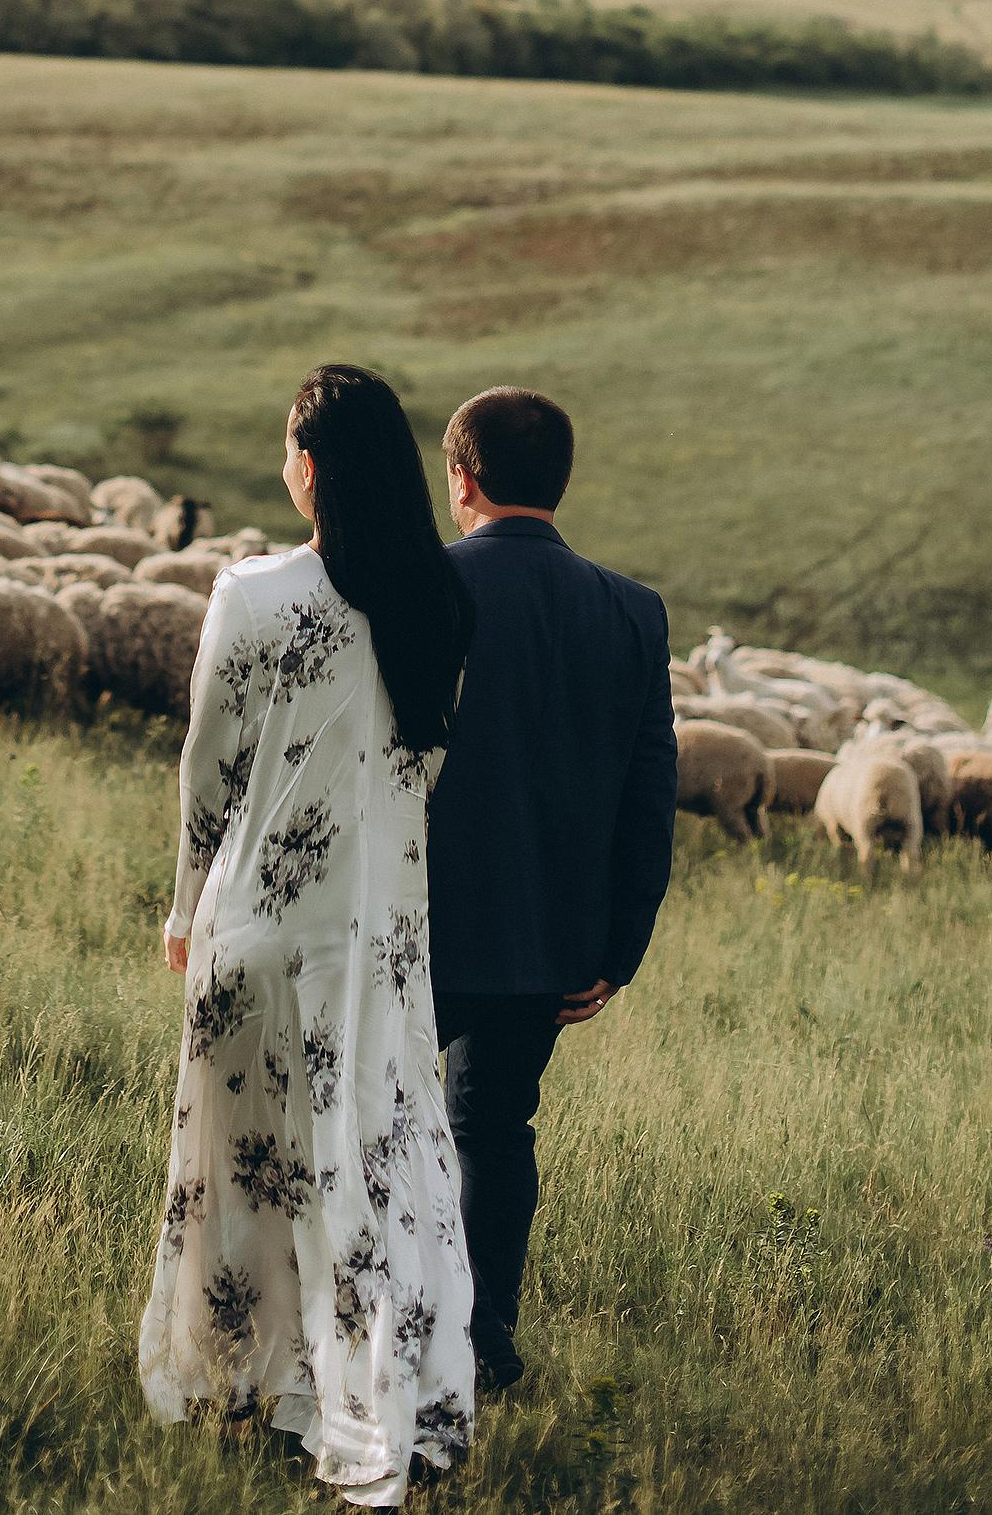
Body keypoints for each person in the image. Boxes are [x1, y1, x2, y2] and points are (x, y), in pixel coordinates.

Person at [139, 364, 478, 1508]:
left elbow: (208, 774)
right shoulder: (439, 603)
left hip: (258, 930)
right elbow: (419, 769)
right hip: (375, 943)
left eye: (290, 442)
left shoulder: (252, 591)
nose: (283, 461)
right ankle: (380, 1388)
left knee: (245, 1171)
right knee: (372, 1167)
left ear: (315, 464)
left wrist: (184, 910)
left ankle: (248, 1381)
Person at [426, 387, 676, 1392]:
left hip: (418, 923)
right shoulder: (630, 610)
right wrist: (614, 948)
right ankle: (483, 1336)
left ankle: (383, 1318)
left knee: (380, 1114)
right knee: (493, 1124)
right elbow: (648, 791)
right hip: (547, 938)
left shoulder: (425, 586)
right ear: (557, 481)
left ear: (462, 477)